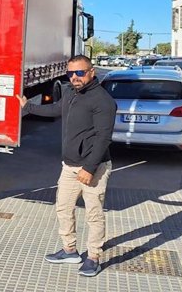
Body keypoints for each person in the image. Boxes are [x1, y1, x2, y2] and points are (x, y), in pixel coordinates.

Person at [17, 54, 116, 277]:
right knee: (63, 208)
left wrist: (89, 168)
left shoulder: (103, 101)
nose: (74, 77)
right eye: (70, 73)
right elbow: (55, 110)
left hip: (94, 168)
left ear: (91, 72)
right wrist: (29, 107)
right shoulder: (71, 92)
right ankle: (70, 250)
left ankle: (93, 257)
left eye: (79, 73)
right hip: (69, 166)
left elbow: (103, 138)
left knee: (94, 214)